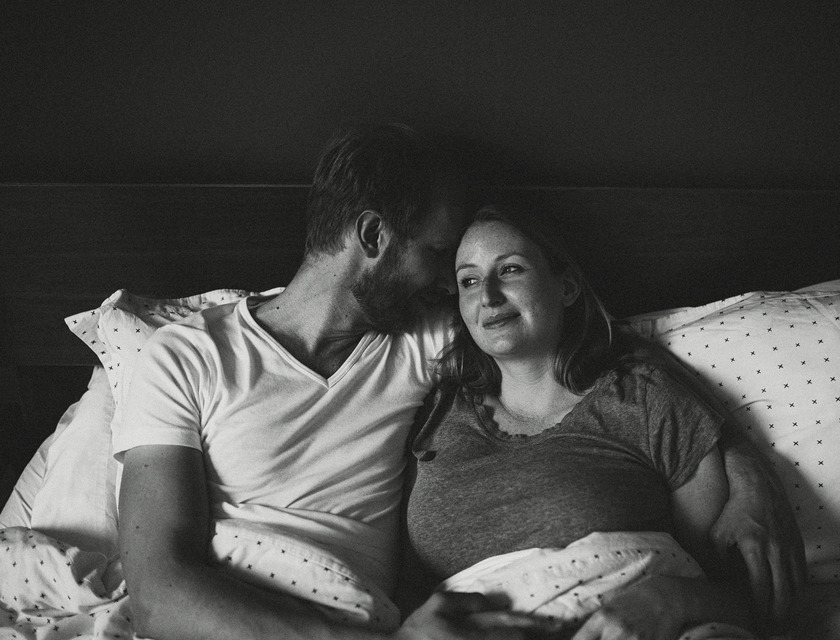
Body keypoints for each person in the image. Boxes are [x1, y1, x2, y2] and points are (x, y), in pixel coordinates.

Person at [115, 124, 801, 640]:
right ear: (375, 236)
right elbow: (156, 592)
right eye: (444, 255)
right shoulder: (186, 355)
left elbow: (592, 349)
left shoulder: (426, 338)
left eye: (479, 273)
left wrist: (743, 468)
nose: (458, 284)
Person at [400, 204, 799, 638]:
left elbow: (750, 596)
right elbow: (398, 584)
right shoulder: (431, 412)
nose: (488, 296)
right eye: (469, 280)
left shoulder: (642, 399)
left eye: (511, 270)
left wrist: (670, 599)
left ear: (566, 287)